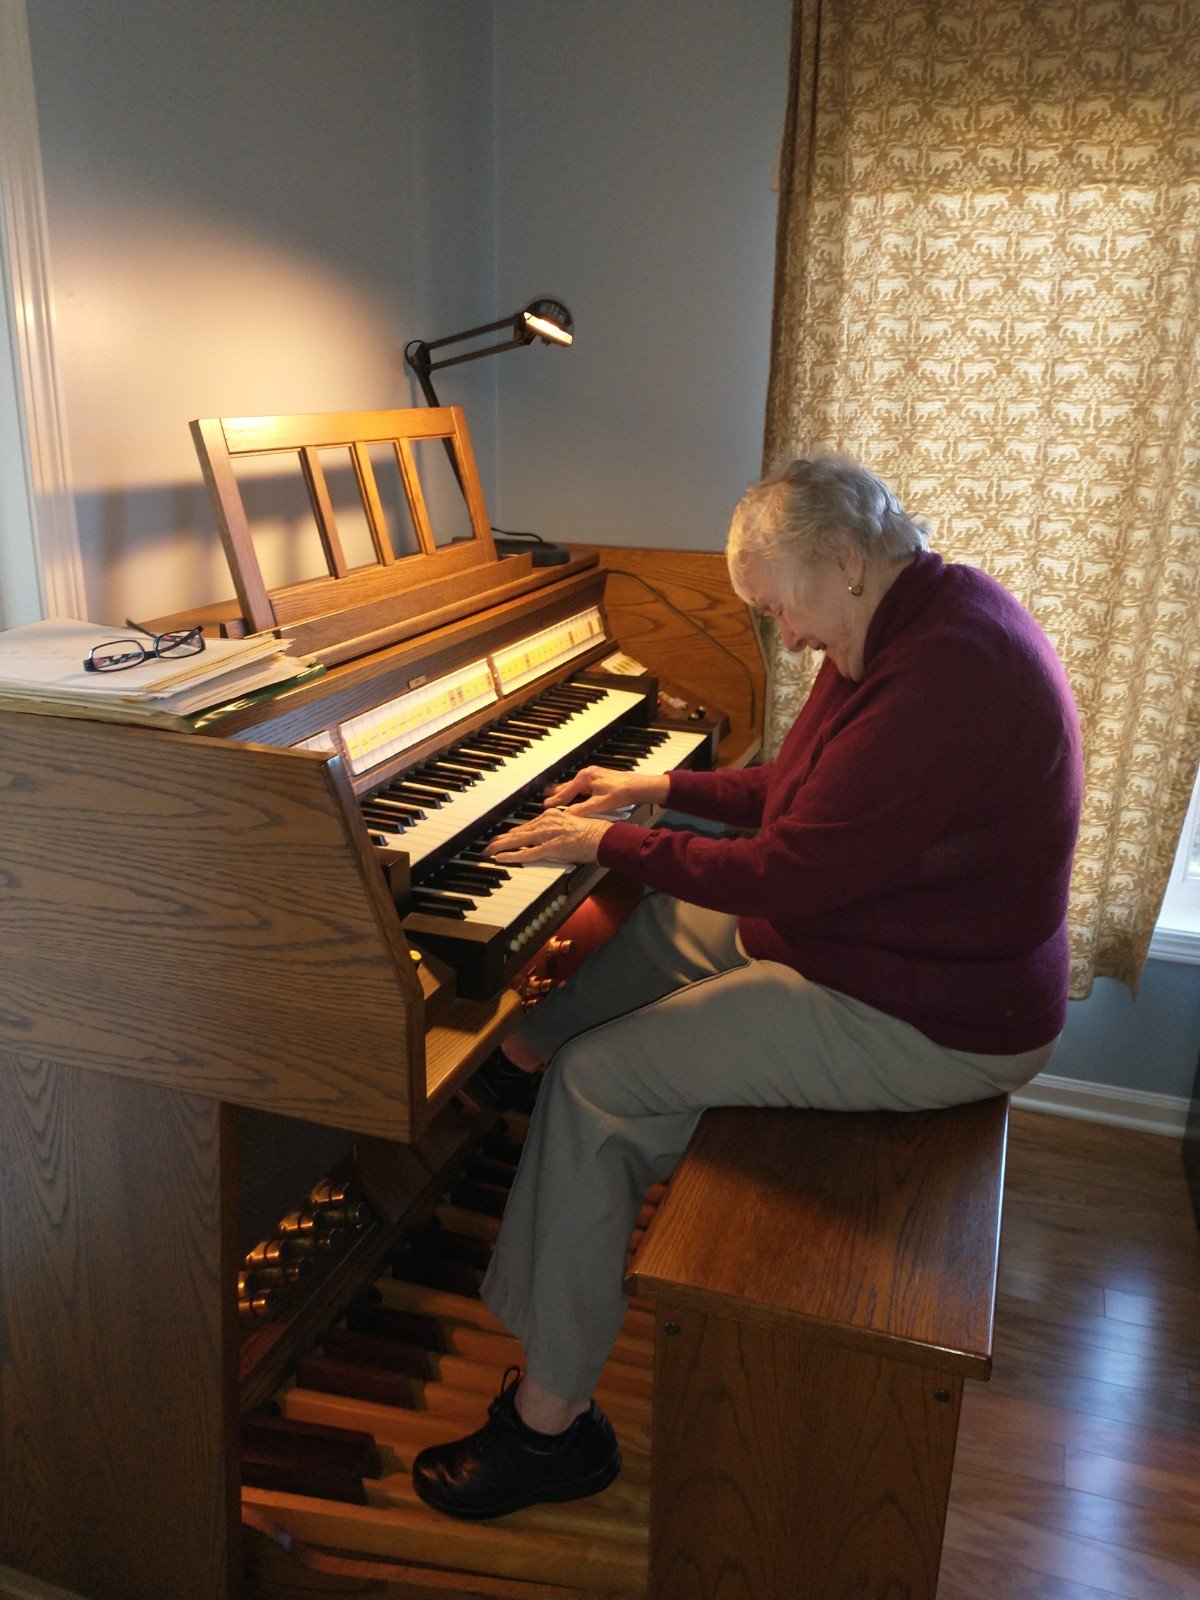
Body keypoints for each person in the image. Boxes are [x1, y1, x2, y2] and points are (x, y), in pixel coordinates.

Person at [411, 453, 1083, 1520]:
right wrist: (660, 787)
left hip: (937, 1016)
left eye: (781, 605)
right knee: (675, 917)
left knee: (602, 1084)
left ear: (848, 562)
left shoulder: (945, 673)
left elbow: (794, 867)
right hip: (887, 941)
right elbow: (805, 793)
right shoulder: (907, 617)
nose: (787, 634)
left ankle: (552, 1428)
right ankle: (520, 1062)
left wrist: (614, 838)